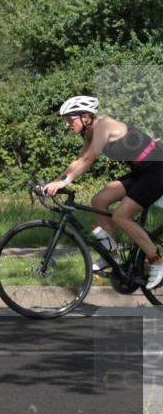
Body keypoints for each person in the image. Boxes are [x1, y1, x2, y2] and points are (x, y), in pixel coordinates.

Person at [43, 95, 163, 288]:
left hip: (157, 170)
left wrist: (66, 181)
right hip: (141, 172)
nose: (67, 124)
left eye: (70, 119)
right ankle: (111, 255)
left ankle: (157, 260)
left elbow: (89, 159)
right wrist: (55, 182)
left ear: (86, 117)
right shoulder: (90, 133)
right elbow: (79, 160)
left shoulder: (104, 126)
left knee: (121, 216)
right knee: (99, 200)